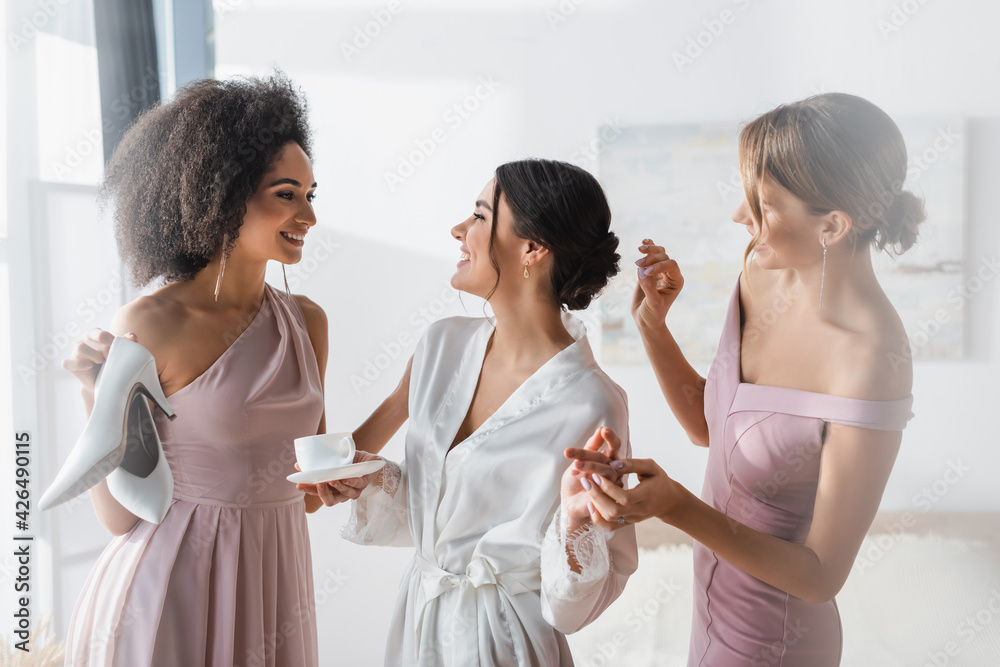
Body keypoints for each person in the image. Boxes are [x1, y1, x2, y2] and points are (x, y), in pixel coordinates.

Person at [571, 93, 924, 665]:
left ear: (832, 225)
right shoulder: (761, 273)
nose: (740, 216)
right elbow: (709, 426)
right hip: (708, 619)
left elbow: (818, 577)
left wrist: (677, 508)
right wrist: (653, 329)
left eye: (762, 202)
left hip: (777, 643)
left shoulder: (871, 361)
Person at [301, 159, 639, 666]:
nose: (459, 230)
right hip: (418, 624)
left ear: (532, 248)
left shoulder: (592, 401)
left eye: (480, 216)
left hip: (506, 642)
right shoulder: (442, 345)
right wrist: (373, 480)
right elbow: (435, 517)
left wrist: (574, 521)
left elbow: (575, 604)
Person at [61, 73, 327, 667]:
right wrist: (94, 394)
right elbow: (119, 515)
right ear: (225, 194)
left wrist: (408, 397)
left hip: (273, 590)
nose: (307, 214)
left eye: (311, 194)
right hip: (166, 593)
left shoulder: (308, 323)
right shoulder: (154, 321)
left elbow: (307, 488)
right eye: (287, 193)